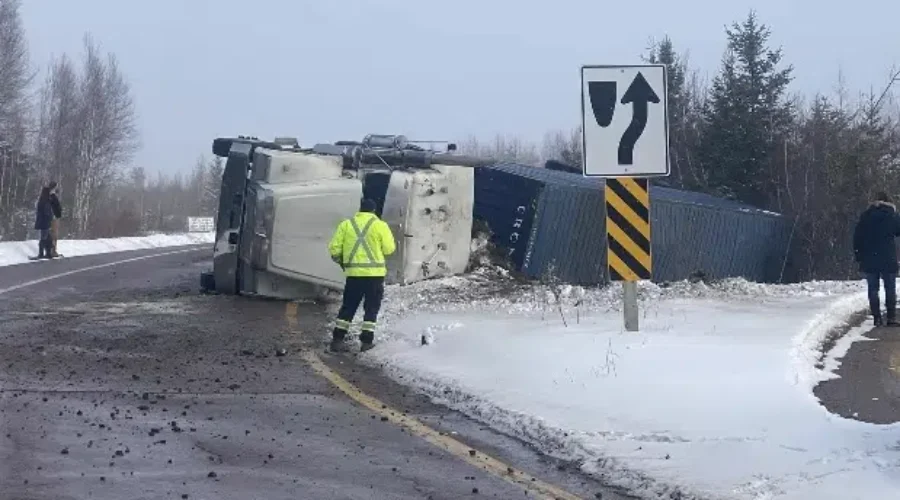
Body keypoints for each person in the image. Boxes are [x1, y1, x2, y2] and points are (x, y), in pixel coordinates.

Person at [328, 198, 396, 352]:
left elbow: (334, 250)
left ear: (360, 210)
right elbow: (389, 249)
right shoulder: (380, 226)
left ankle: (337, 340)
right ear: (373, 211)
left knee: (348, 307)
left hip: (354, 276)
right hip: (375, 276)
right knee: (371, 308)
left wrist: (342, 262)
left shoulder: (346, 225)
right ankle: (366, 342)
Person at [853, 191, 900, 326]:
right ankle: (891, 318)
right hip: (888, 257)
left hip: (869, 258)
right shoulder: (892, 215)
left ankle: (877, 318)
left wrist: (859, 256)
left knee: (873, 289)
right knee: (890, 288)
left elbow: (857, 238)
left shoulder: (865, 216)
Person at [47, 181, 62, 257]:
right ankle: (52, 251)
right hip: (54, 217)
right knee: (54, 235)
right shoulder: (52, 196)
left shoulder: (50, 196)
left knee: (52, 234)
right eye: (56, 187)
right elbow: (54, 207)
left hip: (53, 217)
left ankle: (51, 250)